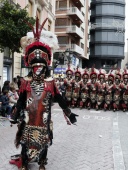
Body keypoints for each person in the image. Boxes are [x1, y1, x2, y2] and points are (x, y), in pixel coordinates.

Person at [9, 17, 78, 170]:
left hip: (43, 119)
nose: (38, 70)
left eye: (41, 67)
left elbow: (59, 98)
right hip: (28, 119)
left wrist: (69, 112)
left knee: (44, 141)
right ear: (31, 67)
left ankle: (42, 163)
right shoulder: (26, 81)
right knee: (25, 141)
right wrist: (15, 115)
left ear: (45, 67)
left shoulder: (50, 82)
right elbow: (21, 100)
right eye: (35, 67)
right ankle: (25, 162)